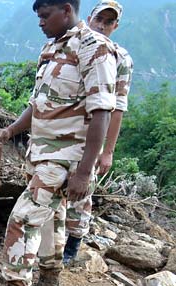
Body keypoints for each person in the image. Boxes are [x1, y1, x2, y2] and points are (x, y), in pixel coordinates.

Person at [0, 0, 118, 286]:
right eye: (38, 17)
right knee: (52, 219)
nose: (40, 23)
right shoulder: (51, 48)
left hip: (67, 159)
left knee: (22, 219)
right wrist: (10, 130)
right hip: (42, 154)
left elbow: (102, 113)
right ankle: (49, 284)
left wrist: (84, 171)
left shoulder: (95, 48)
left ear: (67, 10)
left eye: (45, 15)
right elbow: (38, 103)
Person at [62, 0, 134, 263]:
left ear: (115, 26)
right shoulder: (72, 44)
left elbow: (117, 108)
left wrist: (107, 151)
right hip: (61, 134)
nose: (101, 25)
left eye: (108, 22)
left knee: (81, 192)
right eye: (98, 19)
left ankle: (72, 244)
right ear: (89, 17)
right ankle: (52, 241)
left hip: (88, 138)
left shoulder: (120, 58)